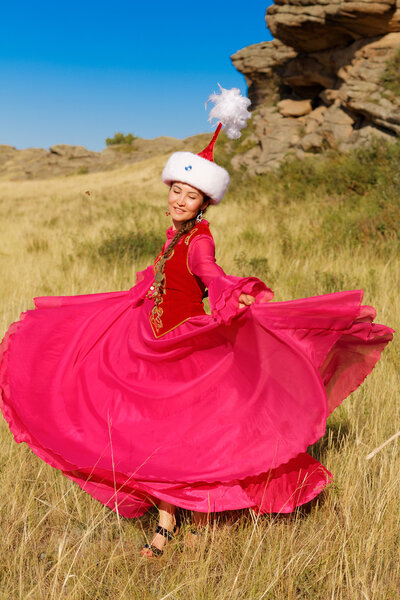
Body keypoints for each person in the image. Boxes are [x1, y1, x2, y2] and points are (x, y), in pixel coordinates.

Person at [0, 88, 394, 559]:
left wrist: (234, 292)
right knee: (130, 420)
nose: (180, 200)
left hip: (178, 347)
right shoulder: (174, 236)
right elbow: (158, 280)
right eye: (176, 191)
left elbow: (211, 274)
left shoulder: (199, 241)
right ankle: (169, 512)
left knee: (172, 430)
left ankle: (170, 523)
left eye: (191, 195)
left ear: (205, 202)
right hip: (147, 338)